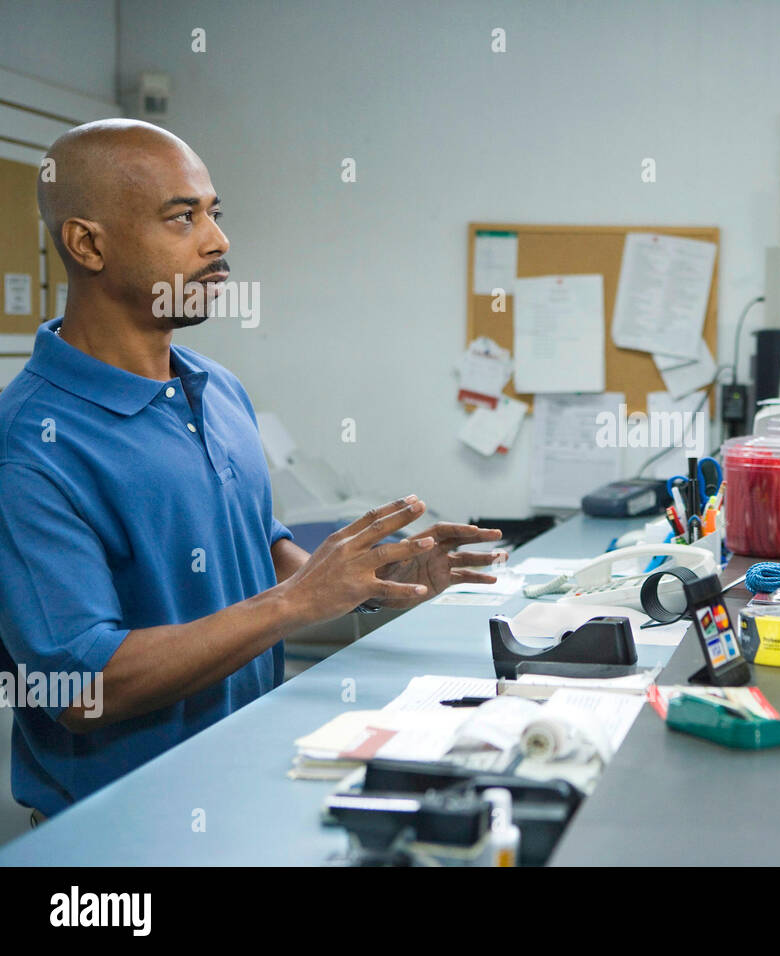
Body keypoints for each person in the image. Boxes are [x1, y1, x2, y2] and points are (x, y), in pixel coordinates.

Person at [0, 119, 504, 822]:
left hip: (247, 782)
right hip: (126, 828)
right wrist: (296, 605)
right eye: (182, 218)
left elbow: (256, 548)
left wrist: (370, 581)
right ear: (88, 244)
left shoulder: (216, 386)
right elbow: (82, 688)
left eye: (214, 213)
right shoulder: (29, 444)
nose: (218, 241)